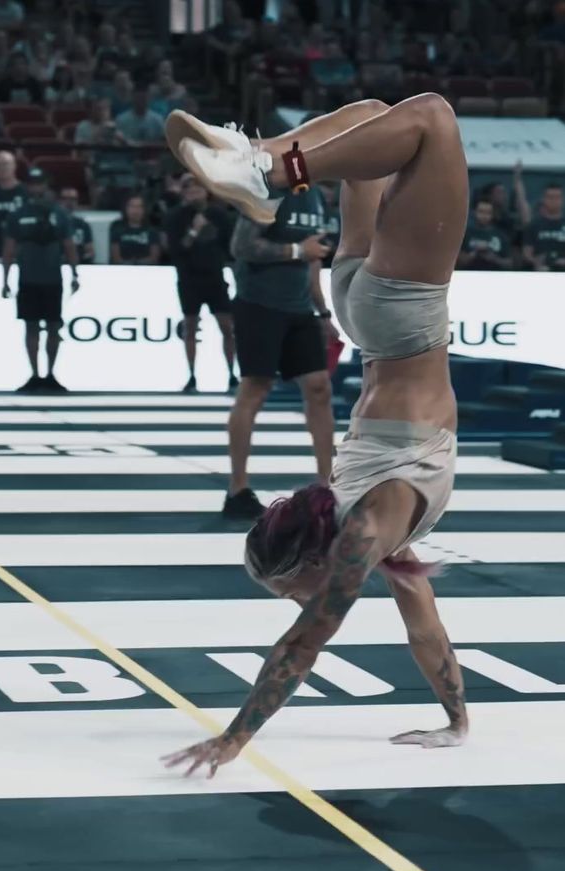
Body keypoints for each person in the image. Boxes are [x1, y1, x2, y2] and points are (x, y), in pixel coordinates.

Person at [162, 95, 470, 777]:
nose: (296, 598)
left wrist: (233, 738)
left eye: (288, 586)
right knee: (373, 116)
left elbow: (303, 644)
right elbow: (425, 627)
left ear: (310, 558)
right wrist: (457, 720)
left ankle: (266, 167)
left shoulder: (364, 532)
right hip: (359, 302)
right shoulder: (368, 526)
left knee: (430, 120)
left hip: (397, 314)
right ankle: (261, 154)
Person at [217, 184, 335, 521]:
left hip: (299, 307)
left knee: (319, 387)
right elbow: (242, 246)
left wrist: (323, 312)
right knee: (255, 388)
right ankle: (237, 489)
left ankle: (328, 487)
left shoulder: (315, 196)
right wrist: (298, 251)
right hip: (259, 304)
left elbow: (314, 258)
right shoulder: (269, 192)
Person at [0, 167, 80, 393]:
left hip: (53, 278)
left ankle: (51, 374)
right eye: (33, 183)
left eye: (40, 183)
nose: (37, 188)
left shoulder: (59, 214)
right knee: (31, 326)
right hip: (28, 278)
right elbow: (9, 250)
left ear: (46, 186)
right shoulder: (18, 214)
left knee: (54, 326)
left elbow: (69, 246)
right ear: (28, 186)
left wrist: (75, 273)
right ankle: (35, 374)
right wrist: (5, 279)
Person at [164, 178, 238, 392]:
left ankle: (232, 374)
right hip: (189, 279)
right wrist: (194, 231)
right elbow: (175, 250)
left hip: (215, 278)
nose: (194, 193)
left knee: (227, 328)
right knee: (190, 328)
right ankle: (191, 376)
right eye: (190, 189)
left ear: (207, 191)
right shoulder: (175, 217)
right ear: (184, 193)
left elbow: (230, 248)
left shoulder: (220, 215)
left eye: (199, 188)